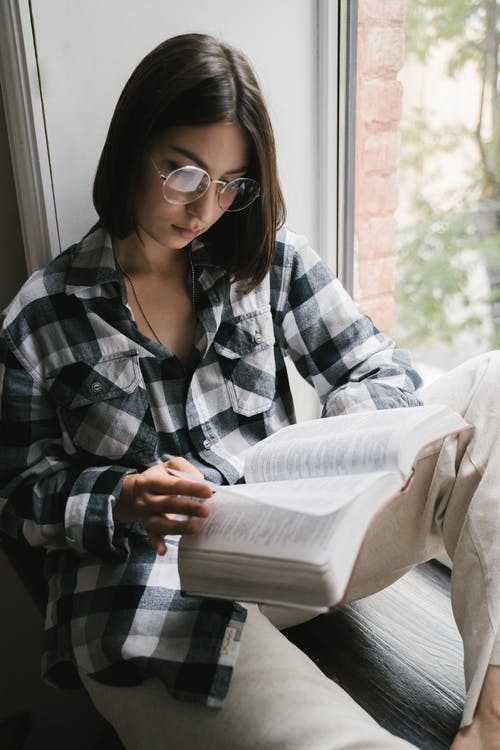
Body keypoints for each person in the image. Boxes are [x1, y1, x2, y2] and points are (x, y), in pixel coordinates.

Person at [0, 32, 499, 750]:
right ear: (131, 147)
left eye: (231, 184)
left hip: (296, 554)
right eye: (183, 173)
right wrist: (123, 498)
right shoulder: (40, 315)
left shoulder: (265, 259)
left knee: (490, 383)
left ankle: (490, 721)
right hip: (156, 597)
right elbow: (17, 491)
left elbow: (378, 370)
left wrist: (352, 452)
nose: (205, 206)